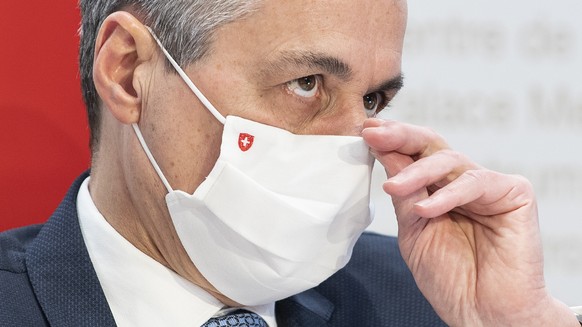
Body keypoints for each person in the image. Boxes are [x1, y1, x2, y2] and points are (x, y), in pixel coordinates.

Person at [0, 0, 579, 326]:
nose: (358, 142)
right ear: (129, 72)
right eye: (307, 83)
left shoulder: (424, 302)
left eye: (374, 100)